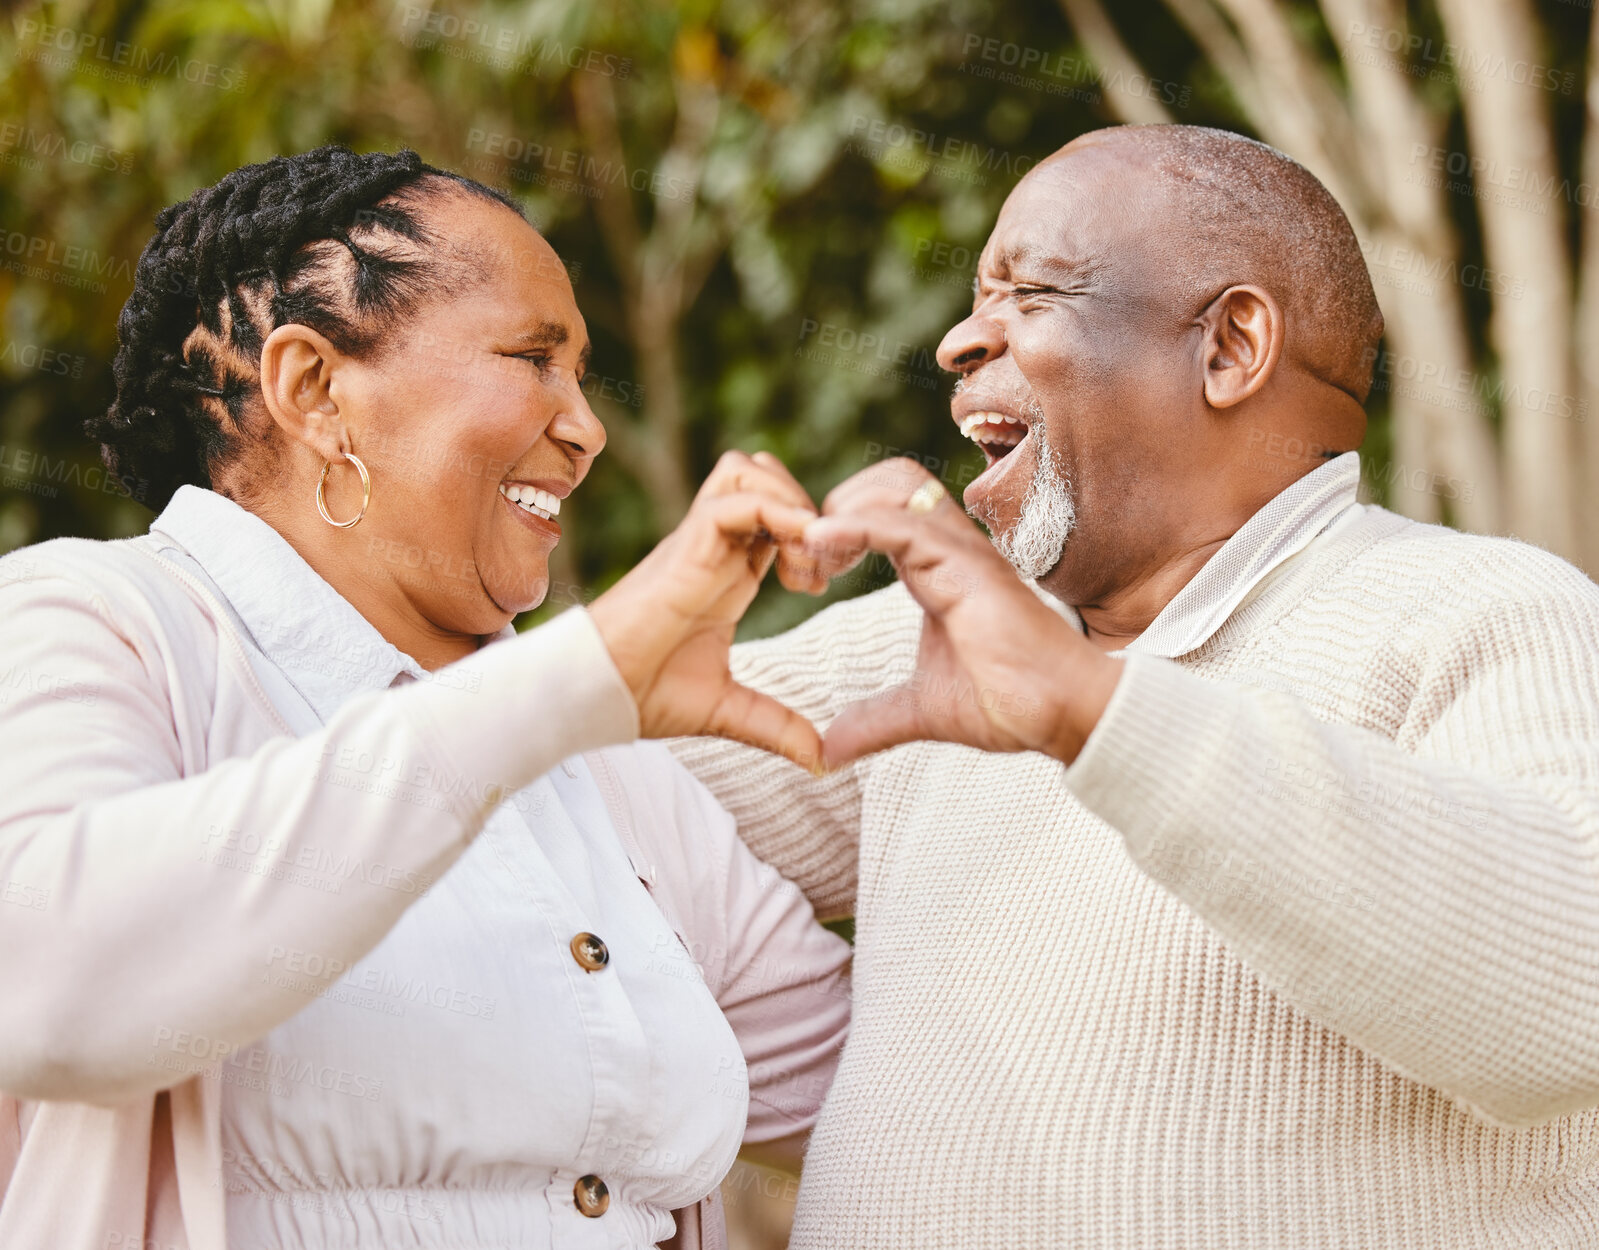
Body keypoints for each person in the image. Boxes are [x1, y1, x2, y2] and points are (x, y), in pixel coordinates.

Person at [672, 124, 1599, 1248]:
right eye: (977, 297)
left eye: (1031, 292)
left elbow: (1570, 1004)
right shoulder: (941, 640)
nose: (963, 339)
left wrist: (1094, 710)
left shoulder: (1486, 610)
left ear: (1230, 345)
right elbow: (539, 792)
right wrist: (655, 621)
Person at [0, 145, 850, 1250]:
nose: (584, 427)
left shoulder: (608, 764)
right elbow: (52, 979)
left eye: (580, 373)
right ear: (313, 390)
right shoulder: (83, 615)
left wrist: (1028, 681)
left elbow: (887, 1095)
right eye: (534, 356)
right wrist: (575, 678)